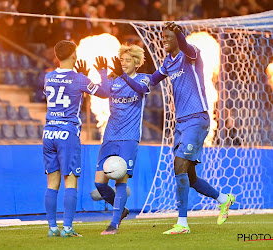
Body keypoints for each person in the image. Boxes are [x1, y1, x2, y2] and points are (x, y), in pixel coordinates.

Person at [150, 22, 235, 234]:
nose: (164, 40)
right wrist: (124, 77)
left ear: (178, 37)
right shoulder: (168, 63)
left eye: (168, 37)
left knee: (178, 166)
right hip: (181, 123)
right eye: (164, 37)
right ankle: (223, 199)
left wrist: (179, 34)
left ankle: (182, 223)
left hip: (197, 118)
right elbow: (151, 81)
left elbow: (185, 46)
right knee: (190, 176)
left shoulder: (191, 54)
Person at [43, 40, 109, 237]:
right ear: (74, 55)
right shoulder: (79, 79)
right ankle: (68, 228)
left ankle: (52, 228)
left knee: (52, 183)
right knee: (70, 181)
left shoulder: (48, 77)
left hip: (49, 133)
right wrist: (103, 73)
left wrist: (82, 77)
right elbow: (104, 92)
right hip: (67, 134)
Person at [94, 44, 151, 235]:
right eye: (121, 60)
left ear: (137, 62)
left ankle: (114, 223)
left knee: (120, 181)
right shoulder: (115, 81)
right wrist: (103, 73)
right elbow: (102, 93)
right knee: (100, 183)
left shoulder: (143, 79)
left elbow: (140, 89)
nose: (124, 63)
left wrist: (124, 76)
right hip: (110, 137)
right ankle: (122, 210)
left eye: (128, 60)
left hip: (129, 138)